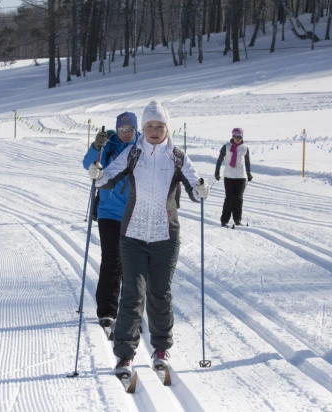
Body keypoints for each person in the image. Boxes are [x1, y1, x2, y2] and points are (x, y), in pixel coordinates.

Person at [88, 100, 210, 377]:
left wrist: (202, 190)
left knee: (160, 293)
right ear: (143, 128)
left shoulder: (177, 157)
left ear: (167, 128)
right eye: (149, 126)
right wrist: (97, 175)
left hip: (165, 235)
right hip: (132, 234)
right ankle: (124, 355)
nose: (154, 131)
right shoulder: (133, 153)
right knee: (132, 293)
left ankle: (161, 349)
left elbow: (195, 186)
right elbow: (107, 177)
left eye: (159, 126)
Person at [82, 112, 140, 330]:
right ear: (118, 129)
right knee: (112, 262)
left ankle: (130, 312)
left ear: (136, 130)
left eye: (130, 130)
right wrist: (96, 147)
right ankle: (107, 311)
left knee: (133, 266)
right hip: (110, 213)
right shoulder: (108, 146)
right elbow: (88, 165)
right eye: (123, 129)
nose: (126, 133)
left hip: (136, 213)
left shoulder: (143, 146)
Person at [214, 127, 253, 228]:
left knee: (239, 199)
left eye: (239, 136)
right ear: (232, 136)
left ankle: (237, 220)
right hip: (229, 176)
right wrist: (217, 171)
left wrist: (248, 173)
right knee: (229, 198)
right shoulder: (226, 147)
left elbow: (247, 162)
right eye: (235, 136)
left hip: (241, 177)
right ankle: (224, 220)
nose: (237, 138)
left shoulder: (245, 148)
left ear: (242, 137)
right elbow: (219, 159)